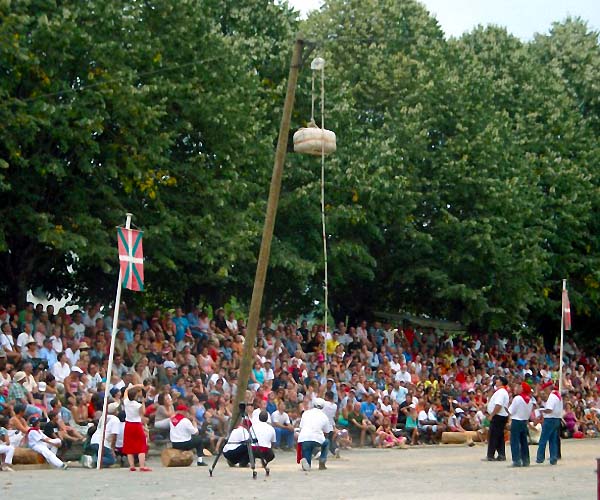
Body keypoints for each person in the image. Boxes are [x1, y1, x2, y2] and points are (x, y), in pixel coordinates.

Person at [122, 384, 150, 471]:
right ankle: (142, 465)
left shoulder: (126, 402)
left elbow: (126, 391)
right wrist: (143, 402)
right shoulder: (137, 405)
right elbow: (143, 413)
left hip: (128, 424)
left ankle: (132, 466)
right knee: (141, 445)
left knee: (129, 445)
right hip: (136, 424)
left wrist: (133, 386)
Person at [297, 397, 330, 471]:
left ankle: (307, 463)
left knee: (307, 450)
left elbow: (301, 427)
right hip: (317, 439)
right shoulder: (324, 416)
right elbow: (327, 432)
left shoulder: (306, 413)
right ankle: (322, 461)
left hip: (304, 438)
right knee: (327, 442)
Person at [536, 381, 563, 465]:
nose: (545, 392)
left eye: (545, 390)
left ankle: (540, 457)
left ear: (548, 388)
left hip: (550, 419)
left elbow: (549, 409)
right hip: (557, 419)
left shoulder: (551, 397)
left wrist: (541, 410)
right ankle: (553, 457)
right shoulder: (557, 395)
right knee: (553, 440)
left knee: (543, 439)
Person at [508, 381, 533, 467]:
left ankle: (516, 460)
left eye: (518, 387)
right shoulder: (530, 400)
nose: (516, 388)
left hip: (516, 420)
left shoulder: (517, 398)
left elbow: (511, 411)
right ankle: (526, 460)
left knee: (514, 441)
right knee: (523, 441)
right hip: (524, 421)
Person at [484, 376, 509, 461]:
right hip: (501, 415)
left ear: (501, 382)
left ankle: (490, 455)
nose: (496, 381)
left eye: (498, 380)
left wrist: (492, 415)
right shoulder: (501, 392)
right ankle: (501, 454)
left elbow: (498, 405)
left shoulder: (501, 392)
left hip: (498, 416)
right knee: (499, 436)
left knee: (493, 436)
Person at [90, 402, 120, 468]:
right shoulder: (116, 420)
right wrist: (112, 449)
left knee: (101, 456)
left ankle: (94, 459)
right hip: (103, 442)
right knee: (111, 460)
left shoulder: (103, 417)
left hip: (94, 440)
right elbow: (114, 436)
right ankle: (92, 460)